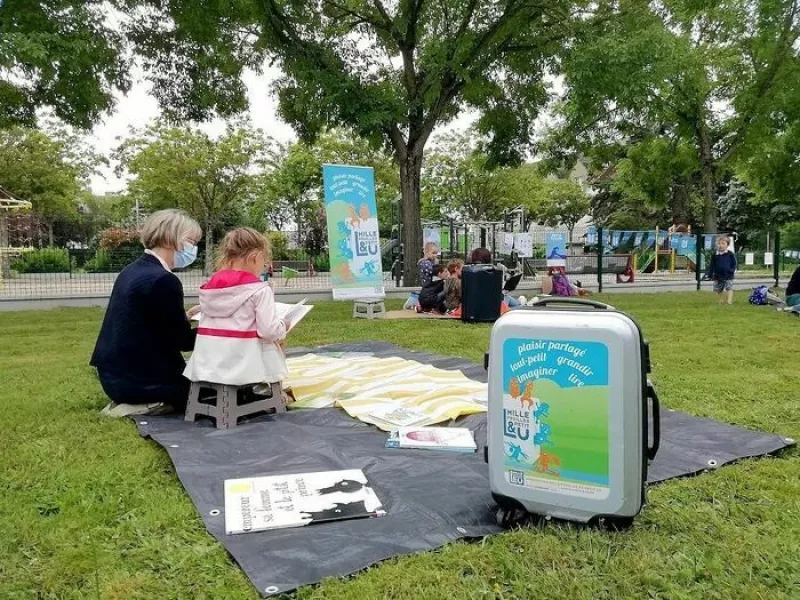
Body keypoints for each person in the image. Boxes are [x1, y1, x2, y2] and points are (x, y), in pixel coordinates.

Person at [91, 209, 202, 417]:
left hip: (113, 375)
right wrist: (218, 328)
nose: (193, 248)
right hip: (138, 382)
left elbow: (146, 321)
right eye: (191, 241)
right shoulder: (163, 280)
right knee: (209, 388)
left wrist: (184, 317)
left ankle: (138, 401)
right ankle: (145, 404)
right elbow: (183, 341)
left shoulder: (132, 270)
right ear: (171, 239)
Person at [184, 227, 290, 389]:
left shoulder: (211, 286)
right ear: (255, 257)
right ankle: (270, 392)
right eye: (264, 263)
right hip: (245, 367)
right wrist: (284, 325)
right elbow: (268, 331)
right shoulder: (259, 290)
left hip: (206, 365)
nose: (264, 267)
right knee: (277, 340)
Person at [706, 236, 737, 305]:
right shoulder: (715, 255)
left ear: (727, 245)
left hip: (728, 275)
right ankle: (720, 300)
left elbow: (734, 263)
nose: (721, 245)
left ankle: (729, 301)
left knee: (729, 287)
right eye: (719, 244)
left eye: (723, 243)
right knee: (719, 289)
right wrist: (710, 274)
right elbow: (712, 265)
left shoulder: (730, 254)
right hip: (718, 275)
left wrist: (731, 270)